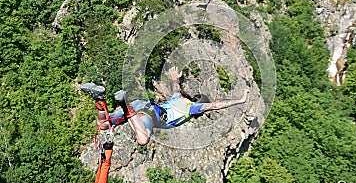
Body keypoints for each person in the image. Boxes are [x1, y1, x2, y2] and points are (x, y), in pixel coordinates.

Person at [81, 67, 250, 145]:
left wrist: (175, 77)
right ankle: (125, 105)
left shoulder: (179, 97)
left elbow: (176, 88)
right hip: (150, 113)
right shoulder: (191, 108)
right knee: (143, 139)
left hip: (143, 104)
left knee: (104, 125)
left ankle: (99, 99)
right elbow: (215, 105)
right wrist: (239, 100)